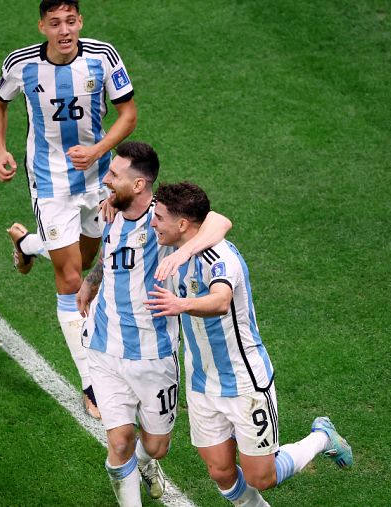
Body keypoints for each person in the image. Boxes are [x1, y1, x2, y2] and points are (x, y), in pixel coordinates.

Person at [145, 182, 353, 506]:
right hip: (201, 381)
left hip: (244, 380)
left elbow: (220, 300)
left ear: (183, 224)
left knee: (261, 477)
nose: (152, 222)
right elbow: (218, 219)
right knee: (220, 471)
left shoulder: (220, 257)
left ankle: (322, 437)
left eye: (158, 217)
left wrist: (181, 304)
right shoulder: (172, 247)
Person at [0, 0, 139, 419]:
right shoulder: (20, 64)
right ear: (42, 26)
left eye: (70, 21)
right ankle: (91, 384)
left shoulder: (103, 57)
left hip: (98, 178)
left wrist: (96, 151)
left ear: (80, 22)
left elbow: (128, 114)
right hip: (50, 182)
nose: (64, 30)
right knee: (71, 278)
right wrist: (1, 150)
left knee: (88, 258)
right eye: (54, 23)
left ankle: (27, 243)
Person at [76, 142, 232, 506]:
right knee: (119, 442)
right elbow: (110, 253)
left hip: (154, 353)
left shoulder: (163, 222)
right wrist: (91, 281)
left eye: (115, 175)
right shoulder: (111, 211)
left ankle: (148, 465)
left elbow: (221, 222)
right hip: (105, 345)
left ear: (140, 185)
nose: (107, 180)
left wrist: (184, 251)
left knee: (156, 447)